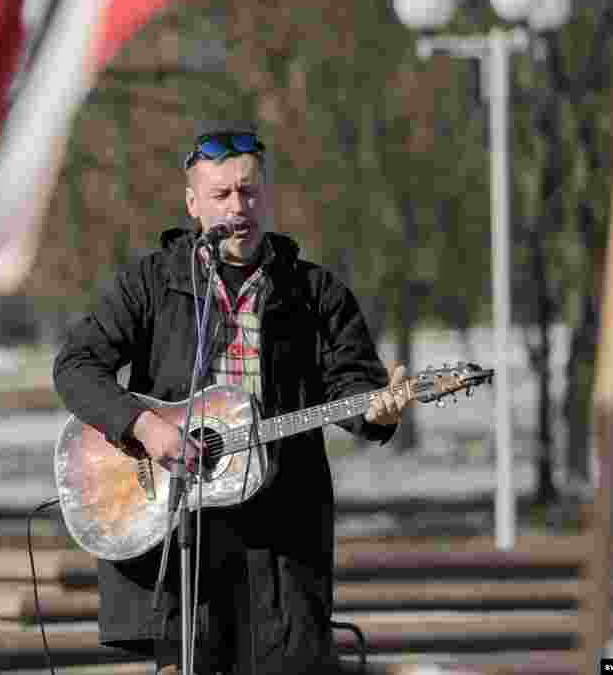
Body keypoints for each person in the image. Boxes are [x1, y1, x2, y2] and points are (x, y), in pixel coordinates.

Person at [53, 121, 409, 675]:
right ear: (193, 203)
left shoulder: (315, 293)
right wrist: (144, 425)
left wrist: (377, 409)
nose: (237, 206)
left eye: (248, 191)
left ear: (267, 197)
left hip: (282, 535)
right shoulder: (150, 284)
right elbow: (75, 367)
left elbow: (355, 389)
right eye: (221, 194)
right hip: (178, 532)